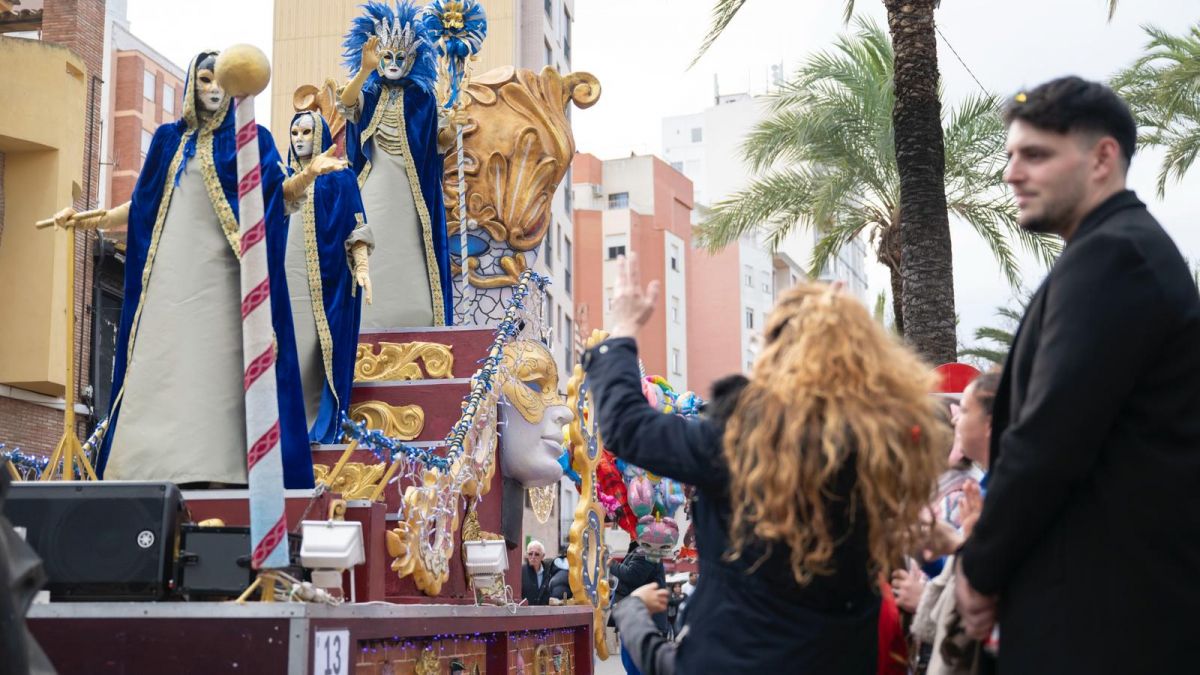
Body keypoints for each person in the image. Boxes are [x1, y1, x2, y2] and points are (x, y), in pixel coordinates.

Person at [584, 255, 947, 673]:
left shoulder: (742, 444)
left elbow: (628, 427)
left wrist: (624, 326)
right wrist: (838, 327)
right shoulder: (884, 455)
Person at [956, 76, 1200, 674]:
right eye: (1010, 156)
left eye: (1035, 155)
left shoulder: (1114, 256)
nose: (1012, 173)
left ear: (1102, 157)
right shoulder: (1113, 251)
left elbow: (1048, 440)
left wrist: (979, 569)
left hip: (1106, 628)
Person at [53, 51, 342, 489]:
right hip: (169, 285)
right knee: (163, 364)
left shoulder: (252, 140)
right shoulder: (169, 141)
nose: (212, 89)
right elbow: (143, 206)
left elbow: (273, 200)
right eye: (205, 80)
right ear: (193, 83)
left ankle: (225, 472)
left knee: (220, 372)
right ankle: (148, 467)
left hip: (226, 285)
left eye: (220, 82)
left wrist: (307, 177)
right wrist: (90, 218)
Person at [340, 0, 454, 328]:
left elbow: (437, 146)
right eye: (386, 57)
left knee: (411, 253)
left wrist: (454, 127)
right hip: (372, 185)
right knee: (367, 246)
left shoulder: (423, 100)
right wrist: (364, 69)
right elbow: (347, 104)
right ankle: (362, 322)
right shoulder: (370, 92)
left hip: (411, 192)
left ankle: (415, 320)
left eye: (399, 57)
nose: (392, 63)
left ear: (413, 59)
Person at [283, 110, 373, 444]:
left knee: (317, 348)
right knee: (287, 347)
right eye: (295, 132)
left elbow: (357, 225)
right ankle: (285, 427)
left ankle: (316, 424)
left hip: (327, 285)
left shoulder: (339, 177)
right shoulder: (281, 179)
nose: (300, 139)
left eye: (307, 131)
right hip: (285, 283)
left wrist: (362, 266)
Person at [520, 540, 552, 606]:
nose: (533, 557)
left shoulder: (549, 572)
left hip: (545, 613)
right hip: (526, 613)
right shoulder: (521, 571)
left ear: (543, 556)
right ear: (527, 555)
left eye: (537, 554)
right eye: (530, 554)